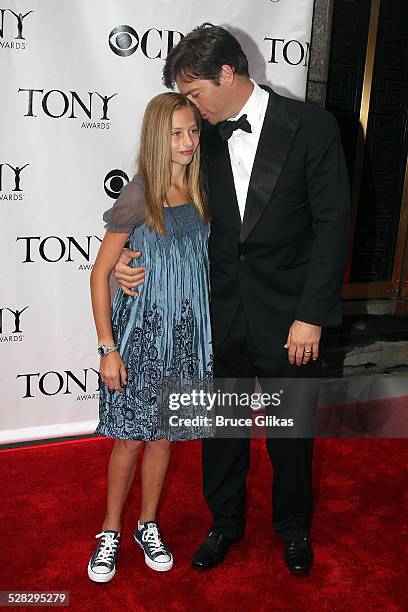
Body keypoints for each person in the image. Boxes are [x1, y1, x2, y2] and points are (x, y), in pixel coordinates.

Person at [114, 23, 351, 575]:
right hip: (215, 312)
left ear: (227, 74)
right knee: (222, 428)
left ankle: (292, 527)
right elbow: (162, 199)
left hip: (291, 315)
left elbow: (333, 226)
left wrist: (311, 316)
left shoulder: (312, 126)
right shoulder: (198, 140)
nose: (191, 111)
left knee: (291, 431)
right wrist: (127, 258)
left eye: (195, 94)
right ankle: (224, 522)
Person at [88, 92, 212, 582]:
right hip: (140, 342)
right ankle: (110, 530)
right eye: (175, 133)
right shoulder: (139, 194)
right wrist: (107, 349)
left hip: (184, 342)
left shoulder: (201, 191)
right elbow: (100, 273)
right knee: (130, 441)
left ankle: (147, 524)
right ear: (156, 138)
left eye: (192, 131)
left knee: (164, 439)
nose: (186, 142)